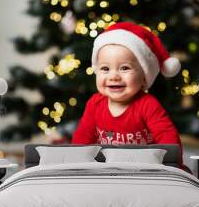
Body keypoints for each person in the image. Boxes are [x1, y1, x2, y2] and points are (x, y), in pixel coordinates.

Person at [72, 22, 183, 163]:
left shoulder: (148, 105)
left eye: (124, 68)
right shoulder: (95, 104)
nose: (114, 76)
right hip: (106, 167)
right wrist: (77, 162)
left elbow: (168, 138)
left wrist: (171, 166)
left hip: (144, 168)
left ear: (144, 77)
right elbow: (83, 137)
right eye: (105, 69)